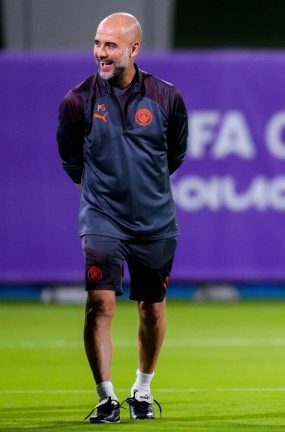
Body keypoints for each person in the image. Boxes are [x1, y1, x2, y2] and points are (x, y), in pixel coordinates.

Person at [56, 12, 188, 423]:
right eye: (98, 43)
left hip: (155, 222)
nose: (101, 52)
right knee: (100, 303)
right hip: (102, 219)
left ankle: (142, 390)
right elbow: (71, 160)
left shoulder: (167, 97)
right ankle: (106, 398)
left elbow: (175, 154)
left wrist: (144, 189)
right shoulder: (77, 100)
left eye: (110, 45)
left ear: (134, 49)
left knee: (152, 309)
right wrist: (102, 196)